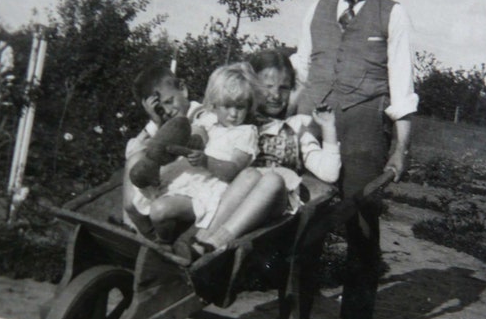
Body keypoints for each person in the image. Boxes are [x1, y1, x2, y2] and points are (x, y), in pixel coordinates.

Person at [289, 0, 419, 319]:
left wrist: (400, 151)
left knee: (361, 232)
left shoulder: (393, 15)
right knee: (300, 224)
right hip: (314, 127)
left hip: (364, 132)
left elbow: (402, 89)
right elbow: (302, 73)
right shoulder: (318, 9)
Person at [191, 49, 341, 258]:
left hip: (274, 203)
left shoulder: (296, 127)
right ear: (251, 85)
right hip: (228, 197)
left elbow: (330, 174)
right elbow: (200, 121)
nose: (275, 95)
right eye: (267, 87)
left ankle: (215, 242)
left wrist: (328, 128)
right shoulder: (236, 119)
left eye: (284, 88)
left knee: (271, 181)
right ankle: (199, 242)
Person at [147, 62, 261, 243]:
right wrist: (196, 138)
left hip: (210, 191)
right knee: (144, 184)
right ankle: (158, 238)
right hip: (186, 178)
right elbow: (197, 133)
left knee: (159, 210)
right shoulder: (208, 119)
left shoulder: (246, 133)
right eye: (227, 106)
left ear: (249, 106)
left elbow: (234, 170)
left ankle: (165, 244)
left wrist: (206, 161)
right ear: (215, 105)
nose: (233, 114)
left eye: (240, 107)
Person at [122, 65, 201, 240]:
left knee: (141, 157)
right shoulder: (164, 120)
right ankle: (132, 226)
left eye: (169, 101)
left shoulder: (199, 114)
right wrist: (157, 122)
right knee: (135, 157)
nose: (168, 111)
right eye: (160, 110)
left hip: (190, 179)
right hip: (165, 178)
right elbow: (135, 149)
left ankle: (146, 233)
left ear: (183, 89)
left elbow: (183, 142)